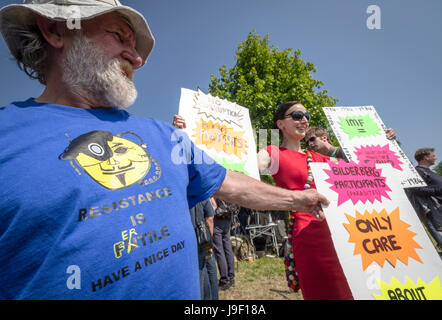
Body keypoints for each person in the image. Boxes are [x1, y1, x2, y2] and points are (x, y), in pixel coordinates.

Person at [0, 1, 329, 300]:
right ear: (55, 29)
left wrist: (299, 199)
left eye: (137, 47)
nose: (138, 58)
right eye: (119, 36)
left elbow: (226, 181)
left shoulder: (162, 134)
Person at [257, 101, 353, 300]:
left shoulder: (318, 157)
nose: (304, 119)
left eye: (306, 115)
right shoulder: (272, 153)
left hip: (340, 234)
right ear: (281, 124)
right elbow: (249, 167)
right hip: (308, 237)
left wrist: (382, 141)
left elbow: (357, 163)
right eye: (297, 115)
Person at [407, 148, 442, 260]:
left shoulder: (431, 172)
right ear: (426, 157)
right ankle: (437, 259)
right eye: (433, 155)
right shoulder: (419, 172)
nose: (435, 157)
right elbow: (419, 190)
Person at [305, 126, 397, 161]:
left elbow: (374, 152)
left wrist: (386, 136)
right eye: (307, 142)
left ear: (324, 137)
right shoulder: (315, 162)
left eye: (312, 139)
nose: (310, 144)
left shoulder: (346, 150)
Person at [189, 199, 219, 300]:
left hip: (190, 241)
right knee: (207, 269)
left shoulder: (182, 195)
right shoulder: (202, 194)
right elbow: (210, 219)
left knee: (202, 272)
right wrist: (210, 241)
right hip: (202, 239)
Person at [210, 197, 239, 291]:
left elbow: (213, 207)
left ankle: (224, 280)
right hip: (227, 218)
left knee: (219, 251)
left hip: (218, 219)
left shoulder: (214, 189)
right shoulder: (225, 187)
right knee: (228, 248)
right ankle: (231, 277)